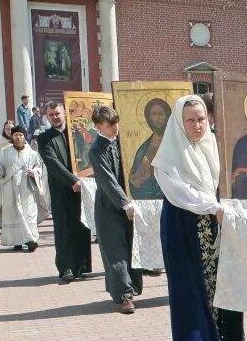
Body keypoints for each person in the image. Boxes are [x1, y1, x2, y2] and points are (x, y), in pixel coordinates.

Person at [153, 96, 245, 341]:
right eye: (190, 120)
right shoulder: (168, 155)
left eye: (201, 119)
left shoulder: (215, 146)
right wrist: (213, 207)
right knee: (191, 290)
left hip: (216, 223)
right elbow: (178, 192)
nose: (196, 125)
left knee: (223, 285)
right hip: (184, 225)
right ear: (179, 122)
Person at [89, 105, 143, 315]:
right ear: (98, 127)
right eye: (110, 124)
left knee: (130, 247)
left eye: (117, 122)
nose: (115, 127)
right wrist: (124, 203)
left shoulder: (121, 144)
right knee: (115, 250)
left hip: (129, 202)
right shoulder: (96, 150)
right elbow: (107, 180)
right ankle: (124, 296)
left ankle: (132, 287)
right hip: (110, 206)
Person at [36, 100, 92, 282]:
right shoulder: (44, 138)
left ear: (64, 113)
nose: (54, 118)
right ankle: (66, 267)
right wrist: (72, 181)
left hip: (82, 186)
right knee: (63, 227)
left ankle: (82, 265)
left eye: (57, 114)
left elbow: (86, 155)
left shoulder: (76, 134)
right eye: (51, 115)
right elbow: (52, 163)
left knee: (81, 225)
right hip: (61, 188)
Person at [0, 125, 44, 252]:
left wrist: (34, 172)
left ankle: (31, 240)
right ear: (12, 136)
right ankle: (17, 241)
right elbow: (0, 171)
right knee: (14, 214)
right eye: (16, 135)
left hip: (27, 188)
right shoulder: (4, 152)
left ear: (24, 136)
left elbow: (40, 167)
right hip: (10, 189)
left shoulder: (33, 153)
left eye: (21, 135)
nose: (18, 137)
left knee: (29, 214)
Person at [129, 98, 171, 199]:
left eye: (161, 114)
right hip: (146, 201)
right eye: (154, 114)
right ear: (148, 117)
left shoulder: (173, 144)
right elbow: (134, 181)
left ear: (167, 117)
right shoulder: (143, 148)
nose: (157, 118)